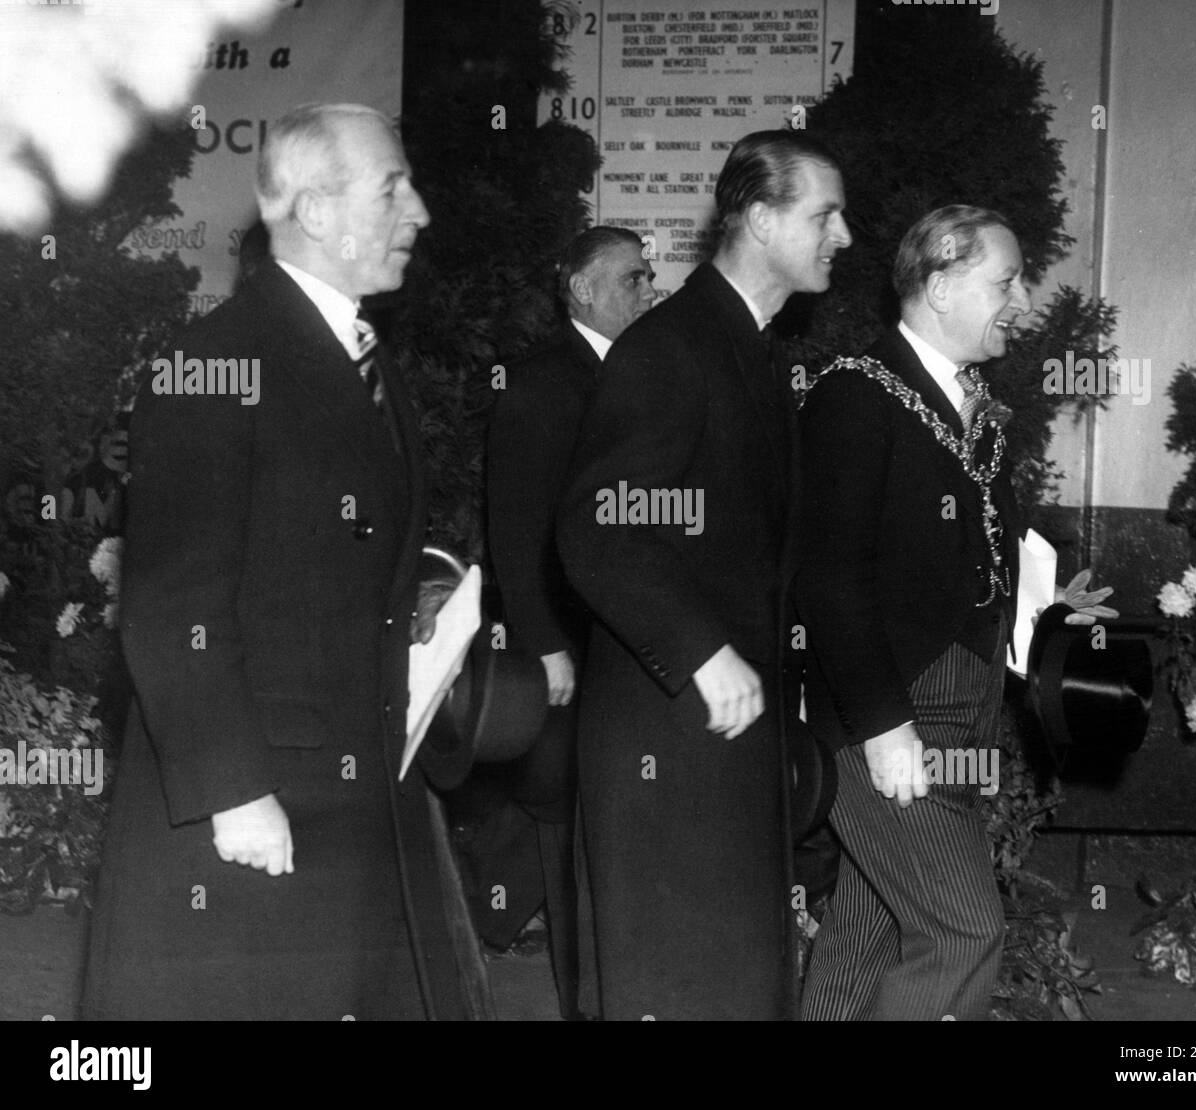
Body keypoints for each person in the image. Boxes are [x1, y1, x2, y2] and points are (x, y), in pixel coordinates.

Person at [81, 103, 473, 1020]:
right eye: (393, 188)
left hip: (359, 790)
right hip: (260, 803)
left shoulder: (368, 362)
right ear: (316, 210)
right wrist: (234, 794)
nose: (418, 211)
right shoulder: (209, 365)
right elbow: (172, 603)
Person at [556, 130, 852, 1020]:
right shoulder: (672, 349)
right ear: (760, 219)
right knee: (680, 983)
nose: (845, 235)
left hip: (725, 740)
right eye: (825, 214)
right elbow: (599, 525)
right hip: (669, 737)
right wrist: (701, 649)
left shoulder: (752, 351)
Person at [797, 205, 1114, 1020]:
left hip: (960, 705)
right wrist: (881, 725)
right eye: (1004, 281)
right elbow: (829, 576)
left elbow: (977, 550)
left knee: (868, 928)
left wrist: (1044, 612)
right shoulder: (855, 397)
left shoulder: (964, 397)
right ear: (940, 286)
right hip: (892, 714)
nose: (1020, 300)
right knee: (963, 930)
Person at [475, 226, 656, 1018]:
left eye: (651, 278)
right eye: (632, 279)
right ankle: (585, 1001)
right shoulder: (543, 384)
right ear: (581, 289)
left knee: (613, 826)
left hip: (629, 645)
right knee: (571, 825)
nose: (648, 292)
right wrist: (544, 646)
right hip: (570, 647)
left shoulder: (643, 376)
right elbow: (514, 526)